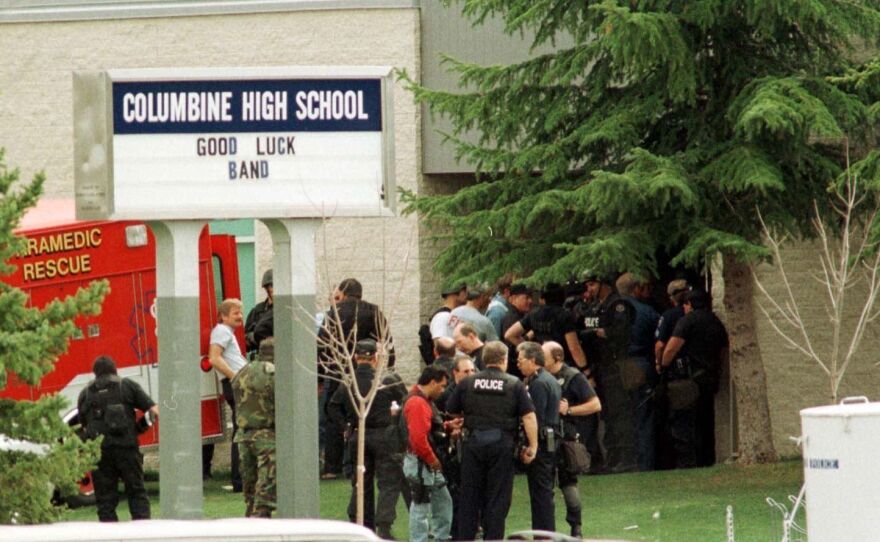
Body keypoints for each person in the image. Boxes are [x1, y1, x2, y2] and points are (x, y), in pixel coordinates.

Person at [445, 341, 538, 541]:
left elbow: (451, 408)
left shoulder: (468, 383)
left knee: (469, 498)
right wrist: (533, 446)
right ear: (504, 360)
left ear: (483, 360)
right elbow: (529, 416)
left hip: (473, 445)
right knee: (498, 499)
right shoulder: (514, 384)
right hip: (502, 446)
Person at [327, 339, 408, 538]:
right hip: (384, 435)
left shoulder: (349, 381)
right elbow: (406, 402)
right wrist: (396, 421)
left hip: (359, 434)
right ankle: (384, 527)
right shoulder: (388, 379)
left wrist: (346, 427)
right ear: (375, 357)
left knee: (361, 482)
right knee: (388, 482)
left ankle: (360, 522)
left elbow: (332, 406)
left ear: (355, 357)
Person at [319, 278, 396, 479]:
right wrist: (388, 367)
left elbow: (321, 344)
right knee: (370, 415)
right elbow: (387, 341)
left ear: (343, 294)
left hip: (338, 371)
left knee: (333, 414)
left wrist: (320, 375)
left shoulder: (334, 313)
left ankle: (332, 466)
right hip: (368, 372)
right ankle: (370, 461)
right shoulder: (373, 311)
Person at [77, 356, 159, 522]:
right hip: (127, 449)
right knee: (136, 492)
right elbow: (155, 410)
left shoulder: (85, 393)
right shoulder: (127, 385)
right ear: (115, 370)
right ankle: (143, 534)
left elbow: (83, 424)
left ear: (95, 373)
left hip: (100, 453)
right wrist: (139, 428)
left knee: (105, 501)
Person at [660, 289, 729, 468]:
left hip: (691, 379)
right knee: (705, 420)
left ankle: (687, 462)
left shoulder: (688, 320)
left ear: (690, 304)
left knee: (684, 420)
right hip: (710, 377)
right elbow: (722, 350)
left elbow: (670, 348)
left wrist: (663, 368)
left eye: (685, 304)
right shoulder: (715, 321)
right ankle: (706, 459)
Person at [580, 274, 638, 473]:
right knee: (606, 413)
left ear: (604, 283)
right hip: (600, 366)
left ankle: (626, 457)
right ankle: (612, 457)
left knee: (619, 412)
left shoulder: (617, 305)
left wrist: (598, 332)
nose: (591, 289)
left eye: (593, 284)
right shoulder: (595, 306)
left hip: (615, 365)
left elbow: (620, 333)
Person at [543, 341, 601, 537]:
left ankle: (576, 528)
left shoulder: (573, 377)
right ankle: (546, 530)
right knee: (545, 484)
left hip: (566, 437)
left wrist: (569, 410)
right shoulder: (539, 376)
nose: (539, 359)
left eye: (544, 356)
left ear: (557, 357)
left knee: (568, 482)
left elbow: (595, 405)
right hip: (545, 437)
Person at [402, 366, 459, 542]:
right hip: (421, 461)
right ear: (432, 382)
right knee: (421, 504)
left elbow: (426, 429)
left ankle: (441, 537)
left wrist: (447, 426)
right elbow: (418, 439)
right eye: (441, 386)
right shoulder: (418, 402)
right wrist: (432, 459)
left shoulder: (420, 399)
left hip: (422, 461)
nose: (442, 391)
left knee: (442, 500)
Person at [617, 273, 660, 471]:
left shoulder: (609, 310)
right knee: (645, 416)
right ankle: (645, 464)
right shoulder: (646, 311)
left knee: (621, 416)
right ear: (636, 289)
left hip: (615, 368)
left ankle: (624, 461)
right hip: (640, 364)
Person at [516, 341, 561, 533]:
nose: (517, 364)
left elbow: (536, 417)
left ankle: (544, 534)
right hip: (549, 441)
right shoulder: (548, 379)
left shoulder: (538, 384)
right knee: (543, 491)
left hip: (542, 444)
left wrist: (530, 445)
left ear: (532, 360)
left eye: (520, 360)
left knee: (540, 493)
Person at [233, 338, 276, 517]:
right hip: (266, 436)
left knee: (249, 485)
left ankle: (250, 520)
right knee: (268, 482)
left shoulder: (244, 370)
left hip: (243, 435)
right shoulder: (273, 372)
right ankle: (261, 520)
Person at [505, 283, 588, 371]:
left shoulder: (533, 314)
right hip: (562, 367)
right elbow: (574, 348)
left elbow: (509, 335)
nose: (531, 301)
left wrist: (533, 352)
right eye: (526, 297)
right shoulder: (564, 315)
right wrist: (586, 371)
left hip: (543, 366)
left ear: (544, 299)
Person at [208, 298, 246, 492]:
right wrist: (235, 377)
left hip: (237, 384)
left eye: (240, 312)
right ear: (223, 316)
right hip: (236, 385)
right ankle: (240, 480)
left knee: (244, 429)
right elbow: (214, 358)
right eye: (235, 313)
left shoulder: (227, 333)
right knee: (242, 431)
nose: (240, 316)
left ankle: (242, 479)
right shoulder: (222, 331)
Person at [421, 284, 467, 364]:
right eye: (464, 291)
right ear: (454, 294)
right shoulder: (442, 317)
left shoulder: (451, 315)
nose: (467, 294)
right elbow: (439, 345)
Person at [499, 283, 534, 378]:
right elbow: (511, 346)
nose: (530, 301)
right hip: (515, 369)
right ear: (513, 298)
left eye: (530, 298)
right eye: (526, 298)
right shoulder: (511, 318)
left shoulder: (521, 315)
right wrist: (529, 336)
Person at [245, 269, 274, 354]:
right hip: (264, 357)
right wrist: (255, 337)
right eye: (272, 285)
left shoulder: (288, 310)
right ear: (266, 288)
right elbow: (245, 341)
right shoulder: (257, 311)